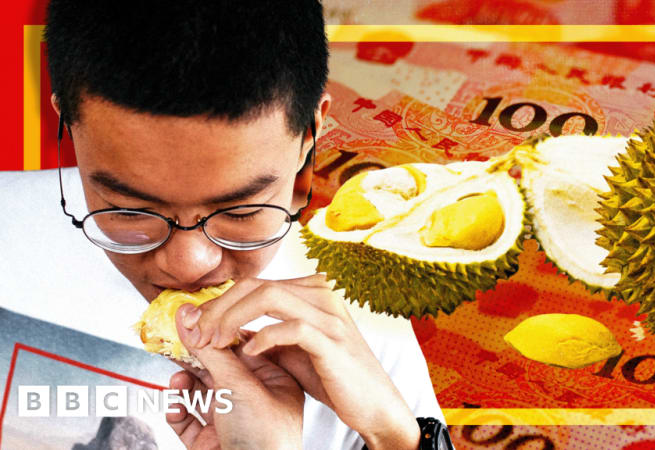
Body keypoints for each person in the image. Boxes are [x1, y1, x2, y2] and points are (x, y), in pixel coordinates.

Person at [0, 0, 452, 448]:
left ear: (309, 138)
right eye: (130, 210)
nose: (188, 264)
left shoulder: (359, 320)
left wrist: (396, 439)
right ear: (68, 126)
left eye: (240, 212)